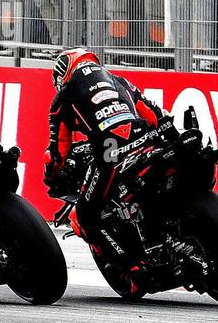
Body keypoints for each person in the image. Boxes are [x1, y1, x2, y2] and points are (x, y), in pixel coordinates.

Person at [43, 48, 168, 271]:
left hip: (110, 152)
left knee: (85, 214)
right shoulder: (118, 80)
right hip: (144, 139)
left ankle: (130, 267)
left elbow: (58, 150)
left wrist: (52, 176)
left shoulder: (64, 95)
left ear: (63, 72)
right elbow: (153, 114)